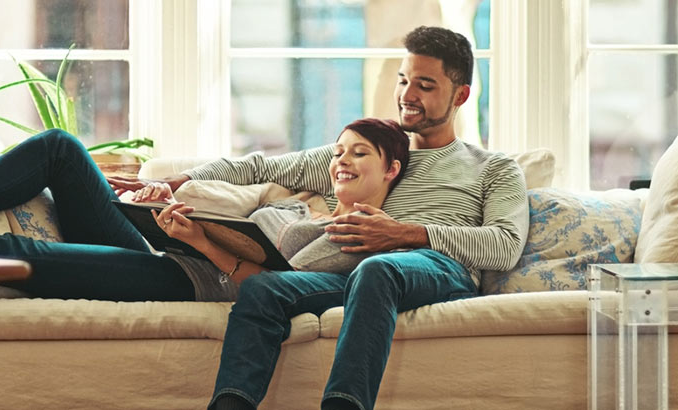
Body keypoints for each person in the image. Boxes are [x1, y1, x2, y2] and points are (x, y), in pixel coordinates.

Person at [200, 26, 529, 410]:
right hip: (356, 274)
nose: (407, 95)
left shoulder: (493, 167)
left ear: (461, 95)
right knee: (265, 288)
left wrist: (404, 233)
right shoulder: (371, 150)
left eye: (424, 85)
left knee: (378, 270)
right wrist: (179, 180)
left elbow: (505, 245)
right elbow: (259, 167)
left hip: (439, 270)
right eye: (403, 80)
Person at [0, 114, 409, 303]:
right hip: (165, 245)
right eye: (340, 152)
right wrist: (160, 194)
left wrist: (198, 242)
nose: (342, 161)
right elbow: (251, 167)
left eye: (360, 155)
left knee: (23, 255)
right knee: (62, 150)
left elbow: (269, 288)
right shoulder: (312, 201)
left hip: (186, 279)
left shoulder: (362, 239)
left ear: (392, 170)